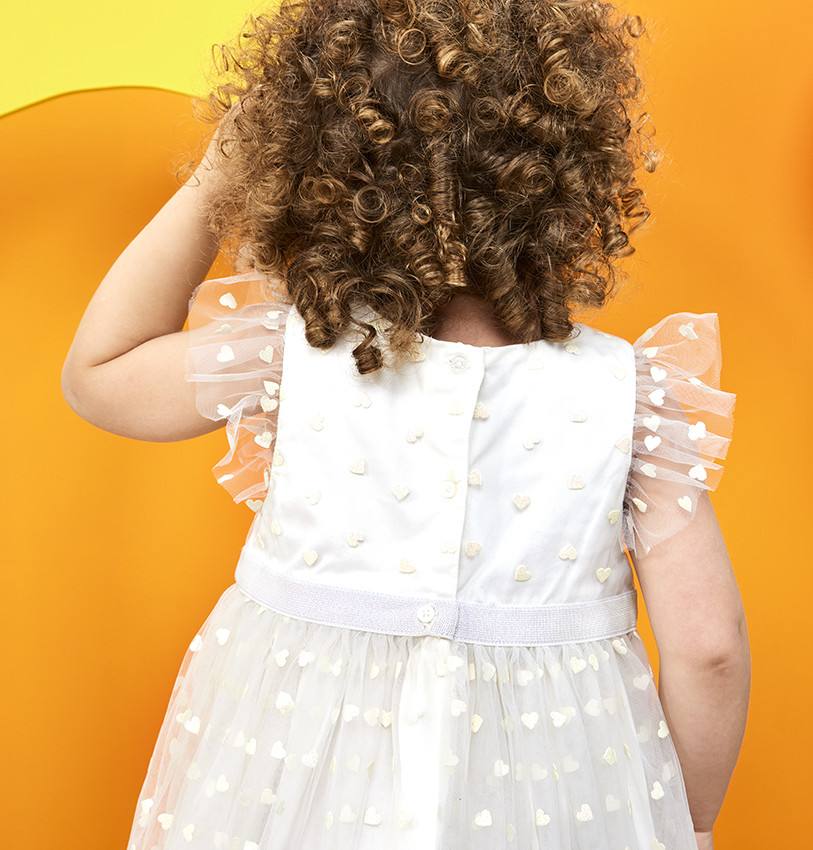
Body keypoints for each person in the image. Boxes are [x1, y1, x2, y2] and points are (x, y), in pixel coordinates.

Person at [62, 0, 750, 847]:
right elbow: (710, 647)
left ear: (314, 169)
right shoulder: (631, 394)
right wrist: (687, 823)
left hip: (301, 776)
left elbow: (99, 374)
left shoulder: (298, 353)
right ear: (570, 174)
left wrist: (216, 177)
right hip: (553, 794)